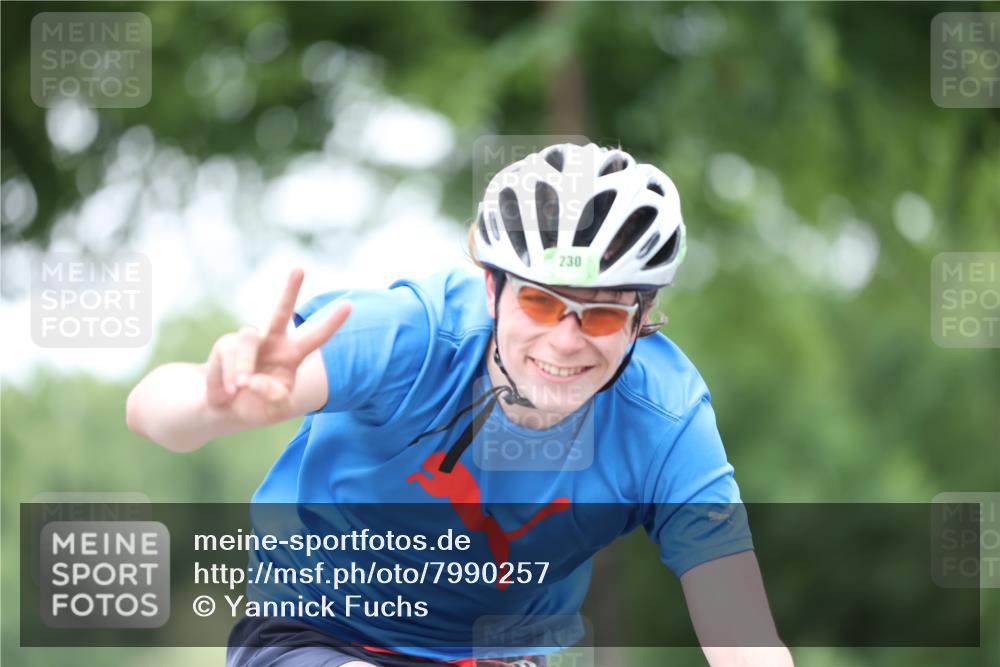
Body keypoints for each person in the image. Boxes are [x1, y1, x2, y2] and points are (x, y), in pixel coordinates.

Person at [127, 143, 794, 667]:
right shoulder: (409, 337)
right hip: (317, 633)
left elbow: (742, 633)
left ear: (642, 315)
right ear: (490, 287)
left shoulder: (666, 416)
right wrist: (217, 405)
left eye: (599, 314)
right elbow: (151, 408)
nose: (564, 339)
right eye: (539, 301)